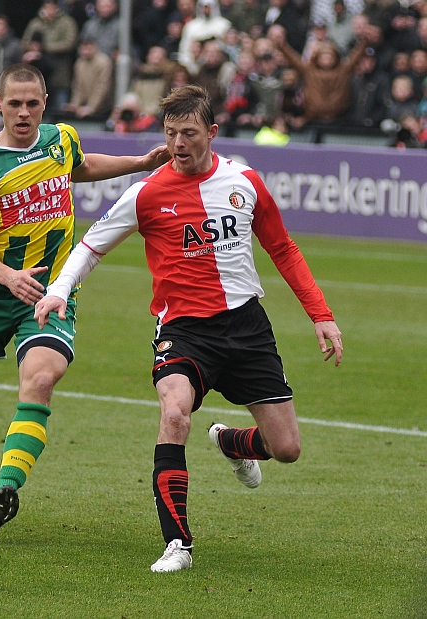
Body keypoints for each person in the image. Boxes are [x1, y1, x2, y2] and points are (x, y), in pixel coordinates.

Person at [34, 84, 343, 573]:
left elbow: (283, 249)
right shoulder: (147, 193)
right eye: (171, 133)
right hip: (183, 329)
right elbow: (92, 245)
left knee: (286, 449)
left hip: (246, 327)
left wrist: (320, 314)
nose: (179, 143)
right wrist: (59, 289)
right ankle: (177, 543)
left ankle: (231, 443)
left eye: (190, 133)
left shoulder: (246, 182)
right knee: (175, 414)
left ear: (212, 133)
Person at [0, 63, 169, 535]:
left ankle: (6, 488)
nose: (24, 112)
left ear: (44, 103)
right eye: (14, 103)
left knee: (41, 379)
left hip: (51, 294)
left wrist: (139, 164)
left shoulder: (61, 139)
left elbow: (82, 166)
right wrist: (10, 277)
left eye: (33, 103)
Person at [21, 0, 79, 112]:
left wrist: (45, 48)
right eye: (47, 7)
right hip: (38, 76)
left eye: (52, 7)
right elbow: (25, 42)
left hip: (59, 74)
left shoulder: (67, 22)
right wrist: (33, 49)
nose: (49, 10)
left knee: (59, 110)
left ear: (57, 8)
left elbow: (70, 43)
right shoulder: (35, 23)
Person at [63, 37, 114, 119]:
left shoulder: (104, 62)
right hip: (85, 106)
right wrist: (75, 105)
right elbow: (78, 86)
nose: (86, 51)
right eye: (84, 48)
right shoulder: (79, 63)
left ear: (95, 47)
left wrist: (91, 107)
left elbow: (102, 87)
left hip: (104, 107)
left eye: (89, 48)